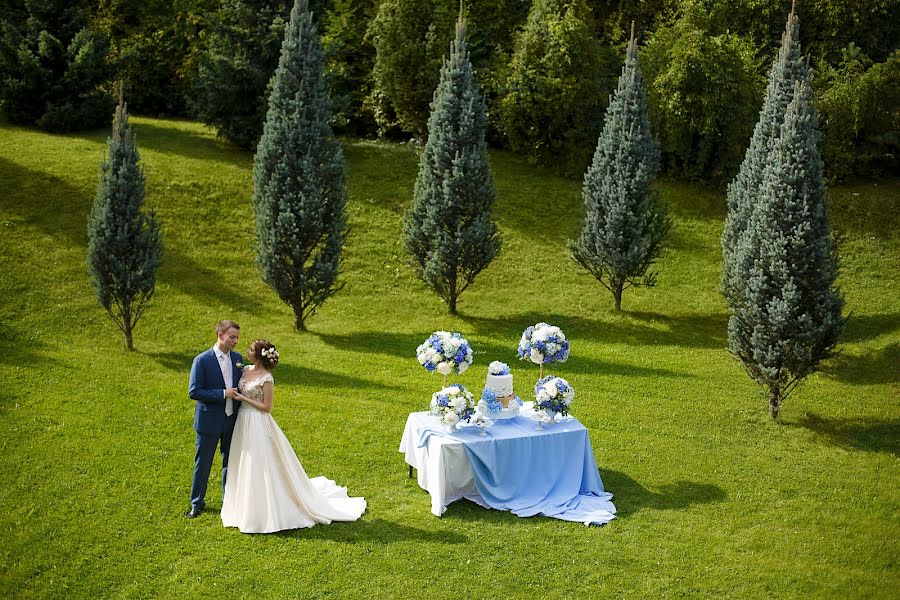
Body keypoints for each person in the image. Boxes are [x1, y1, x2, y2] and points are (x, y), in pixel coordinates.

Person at [221, 339, 367, 533]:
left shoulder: (266, 378)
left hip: (257, 422)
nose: (246, 351)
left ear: (258, 355)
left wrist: (243, 398)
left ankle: (265, 509)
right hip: (242, 422)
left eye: (250, 349)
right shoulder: (245, 370)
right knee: (245, 461)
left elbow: (267, 407)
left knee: (261, 463)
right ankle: (244, 506)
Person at [186, 320, 244, 519]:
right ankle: (197, 503)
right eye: (232, 337)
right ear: (220, 335)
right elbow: (194, 391)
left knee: (230, 462)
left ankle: (228, 502)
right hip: (209, 422)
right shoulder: (202, 360)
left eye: (237, 337)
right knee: (203, 464)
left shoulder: (237, 359)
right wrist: (222, 393)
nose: (235, 341)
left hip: (231, 420)